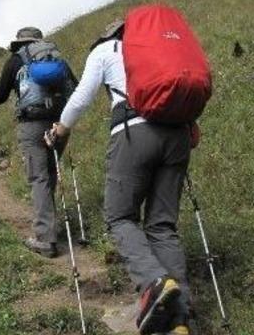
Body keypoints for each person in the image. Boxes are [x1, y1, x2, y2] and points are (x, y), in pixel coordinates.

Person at [49, 20, 193, 335]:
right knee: (162, 225)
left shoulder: (105, 50)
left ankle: (154, 283)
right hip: (178, 135)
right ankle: (179, 320)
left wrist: (61, 128)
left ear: (108, 34)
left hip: (134, 132)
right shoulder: (162, 50)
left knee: (120, 217)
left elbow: (82, 97)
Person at [0, 27, 77, 258]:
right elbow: (75, 90)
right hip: (59, 123)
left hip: (31, 124)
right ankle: (50, 228)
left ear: (20, 42)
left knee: (38, 177)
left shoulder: (16, 60)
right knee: (50, 173)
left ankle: (45, 238)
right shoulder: (56, 56)